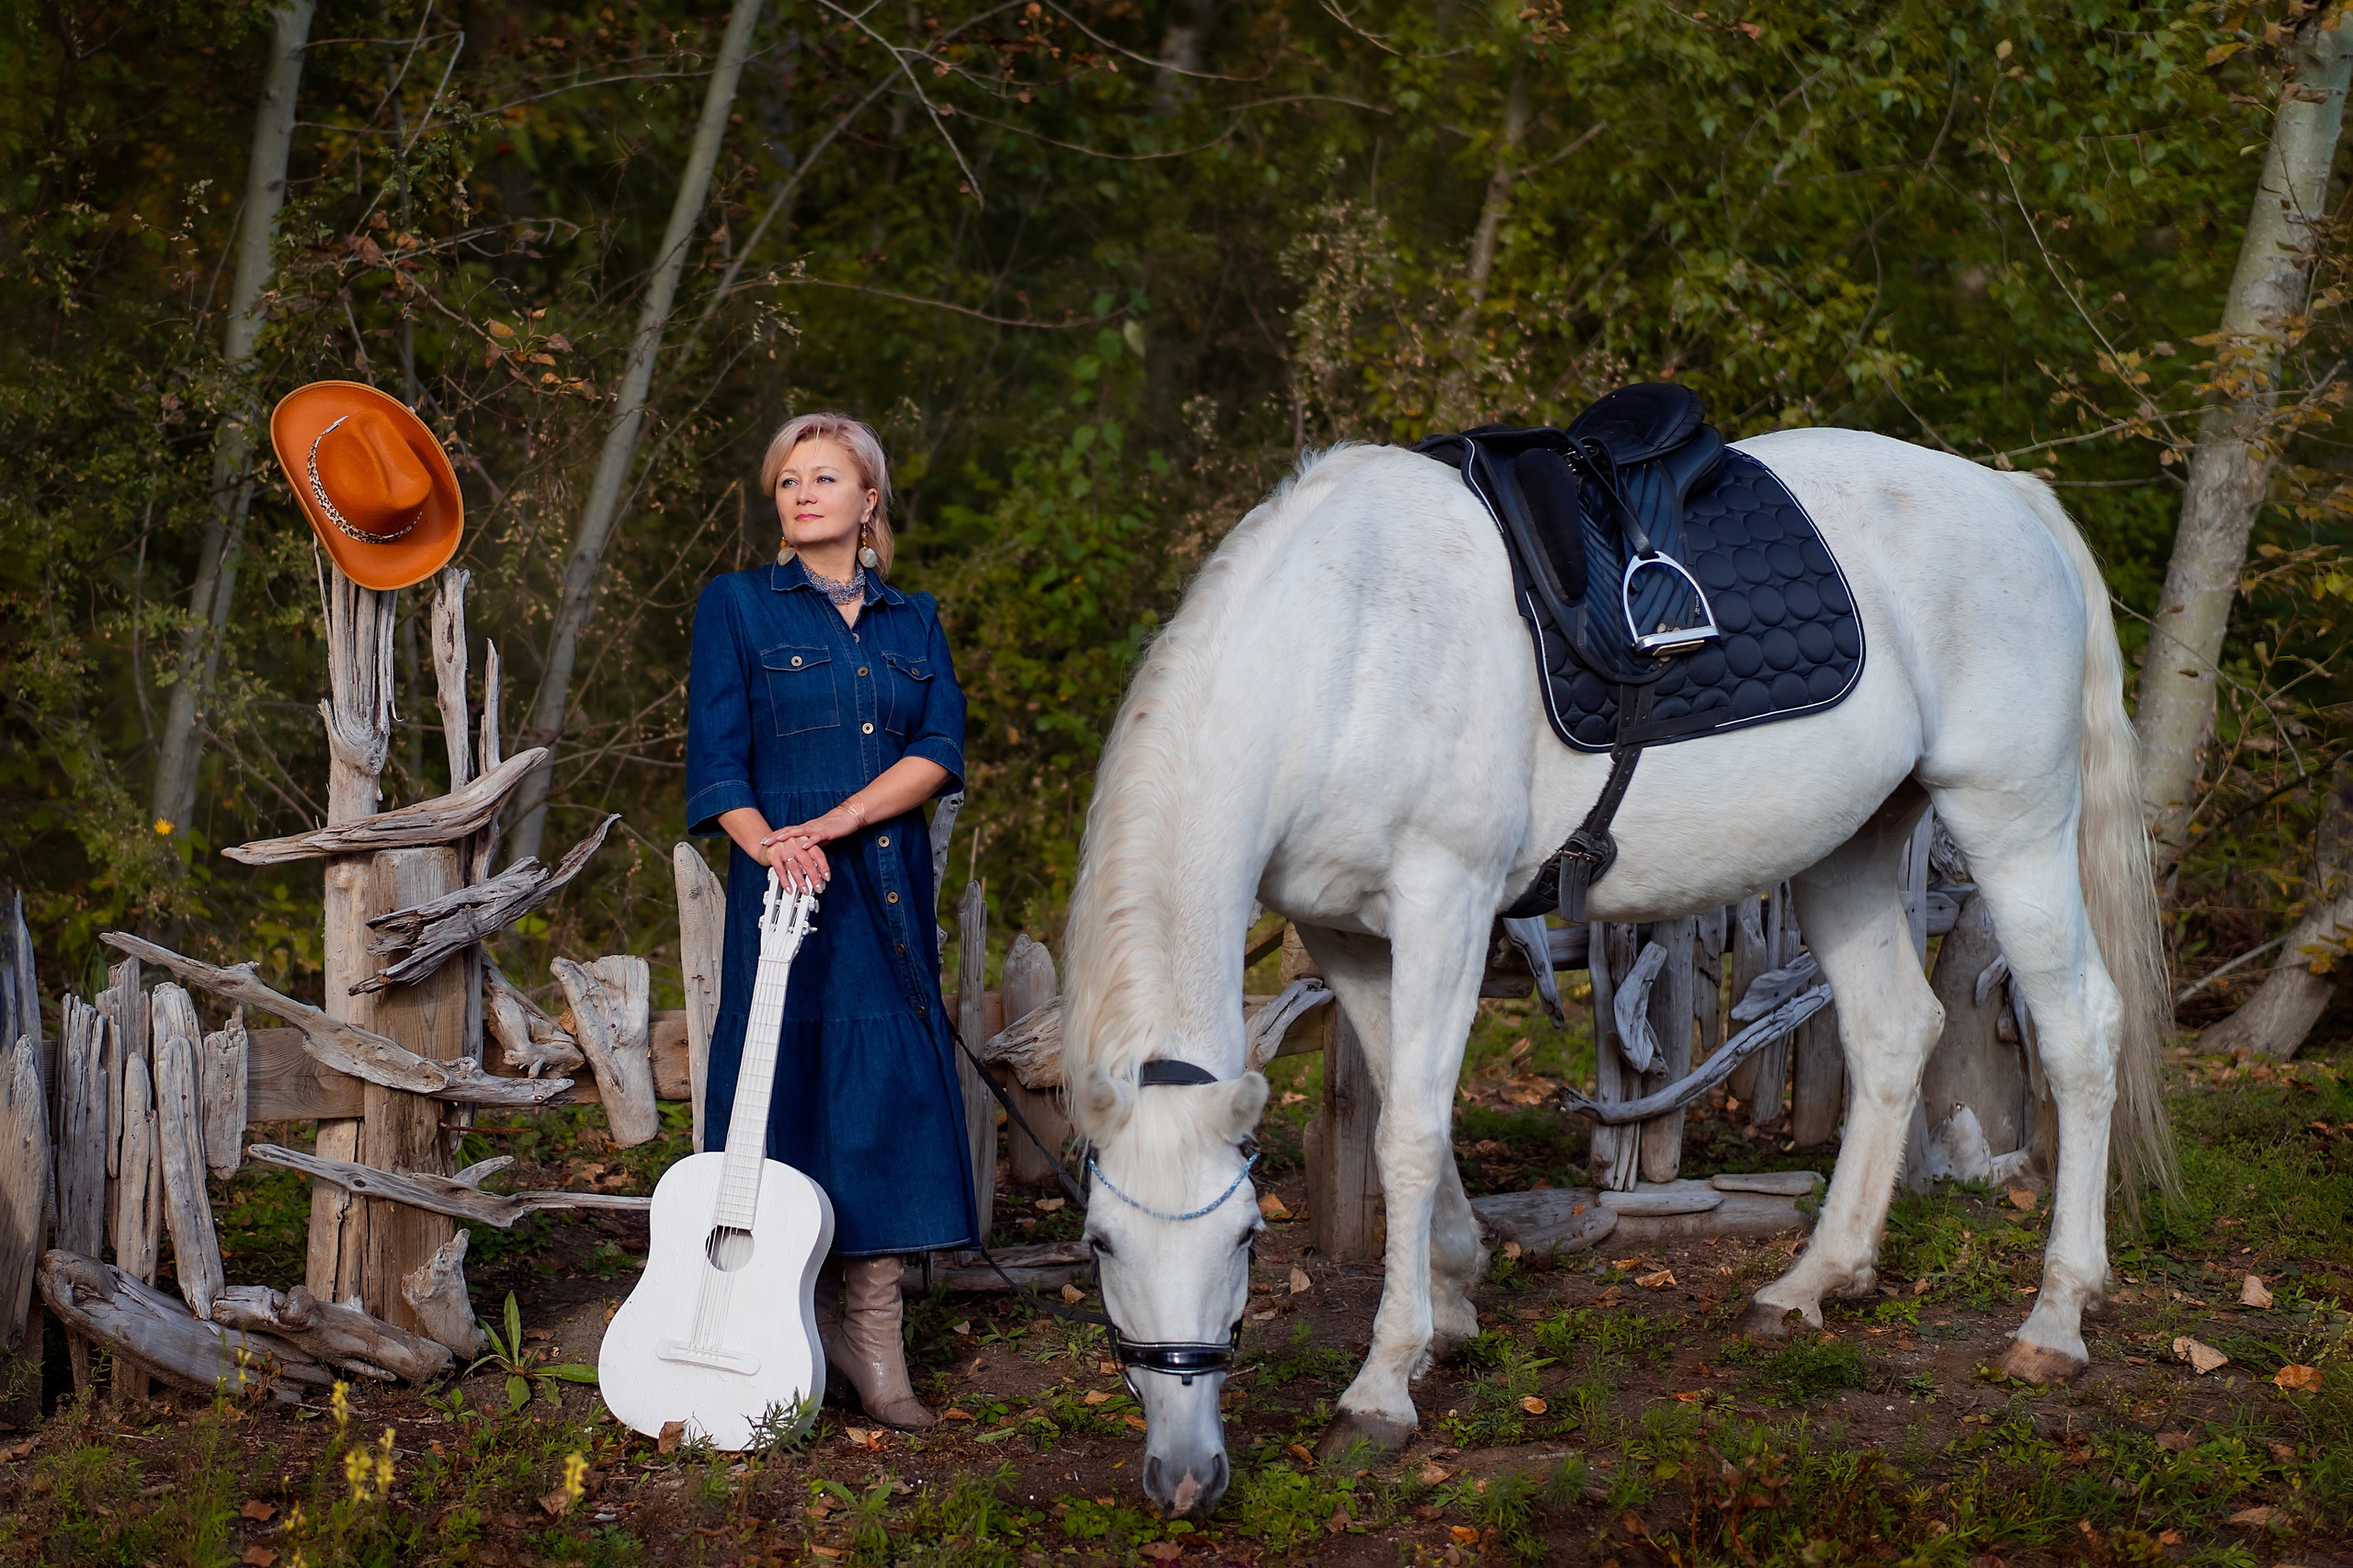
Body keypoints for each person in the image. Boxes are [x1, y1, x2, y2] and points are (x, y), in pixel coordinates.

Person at [684, 412, 972, 1429]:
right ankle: (784, 1326)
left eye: (824, 476)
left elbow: (938, 746)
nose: (802, 492)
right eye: (787, 480)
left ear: (868, 500)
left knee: (885, 1107)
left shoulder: (913, 620)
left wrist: (842, 819)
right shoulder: (736, 607)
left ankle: (873, 1335)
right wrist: (773, 844)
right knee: (785, 1101)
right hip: (783, 910)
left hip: (885, 901)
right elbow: (715, 761)